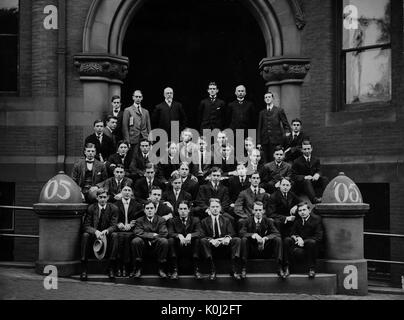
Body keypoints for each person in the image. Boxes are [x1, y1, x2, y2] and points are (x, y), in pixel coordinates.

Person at [80, 188, 118, 280]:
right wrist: (95, 231)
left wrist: (107, 231)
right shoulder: (91, 208)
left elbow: (114, 226)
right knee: (85, 235)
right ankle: (84, 268)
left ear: (108, 198)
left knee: (115, 235)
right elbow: (86, 226)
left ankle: (111, 268)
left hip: (107, 236)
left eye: (104, 197)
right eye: (100, 197)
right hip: (94, 236)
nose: (102, 199)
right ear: (97, 198)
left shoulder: (113, 208)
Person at [200, 198, 242, 280]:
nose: (215, 209)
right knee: (202, 241)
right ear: (209, 208)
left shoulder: (226, 220)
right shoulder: (204, 221)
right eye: (212, 207)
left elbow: (232, 233)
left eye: (217, 206)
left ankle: (234, 269)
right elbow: (202, 235)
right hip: (211, 247)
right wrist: (211, 240)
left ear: (220, 208)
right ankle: (212, 270)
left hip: (224, 246)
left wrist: (227, 238)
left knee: (237, 240)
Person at [239, 201, 283, 279]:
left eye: (260, 210)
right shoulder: (247, 221)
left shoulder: (268, 221)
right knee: (244, 239)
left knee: (278, 239)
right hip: (252, 250)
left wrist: (265, 238)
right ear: (252, 211)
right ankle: (243, 268)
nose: (258, 212)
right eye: (256, 210)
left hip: (265, 249)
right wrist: (253, 235)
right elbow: (241, 233)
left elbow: (277, 233)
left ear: (263, 211)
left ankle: (279, 267)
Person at [283, 202, 324, 278]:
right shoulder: (298, 220)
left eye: (304, 210)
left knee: (312, 242)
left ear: (309, 210)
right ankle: (286, 267)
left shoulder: (316, 219)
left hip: (311, 246)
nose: (302, 212)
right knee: (287, 240)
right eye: (300, 211)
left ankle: (312, 269)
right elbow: (292, 233)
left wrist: (303, 241)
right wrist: (297, 238)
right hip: (298, 245)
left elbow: (319, 237)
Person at [130, 200, 169, 278]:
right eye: (147, 208)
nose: (150, 210)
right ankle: (138, 268)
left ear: (155, 210)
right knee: (136, 240)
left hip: (156, 245)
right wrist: (153, 235)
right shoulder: (139, 220)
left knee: (164, 241)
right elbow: (138, 232)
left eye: (152, 208)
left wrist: (152, 240)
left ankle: (161, 269)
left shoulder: (161, 220)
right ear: (144, 210)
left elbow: (164, 233)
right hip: (143, 245)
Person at [167, 201, 202, 280]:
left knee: (197, 240)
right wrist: (178, 235)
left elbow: (199, 232)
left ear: (189, 210)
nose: (183, 211)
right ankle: (175, 271)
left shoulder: (195, 220)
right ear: (178, 210)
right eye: (181, 209)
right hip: (178, 246)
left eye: (185, 209)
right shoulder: (172, 220)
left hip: (191, 246)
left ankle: (197, 270)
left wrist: (191, 235)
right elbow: (170, 233)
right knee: (170, 240)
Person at [113, 185, 143, 277]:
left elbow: (140, 218)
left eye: (129, 190)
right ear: (121, 193)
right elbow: (112, 219)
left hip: (132, 230)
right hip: (119, 230)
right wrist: (118, 224)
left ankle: (125, 267)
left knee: (127, 238)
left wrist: (132, 224)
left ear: (132, 193)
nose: (127, 192)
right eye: (124, 190)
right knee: (120, 238)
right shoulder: (115, 205)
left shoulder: (137, 205)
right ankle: (119, 267)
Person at [257, 92, 291, 162]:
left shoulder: (279, 110)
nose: (267, 99)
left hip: (276, 139)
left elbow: (286, 124)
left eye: (269, 97)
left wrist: (287, 133)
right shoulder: (262, 113)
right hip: (265, 140)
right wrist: (258, 142)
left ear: (272, 98)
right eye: (266, 97)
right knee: (265, 159)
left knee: (275, 159)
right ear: (264, 99)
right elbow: (259, 128)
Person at [291, 140, 328, 204]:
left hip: (313, 182)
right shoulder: (296, 161)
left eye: (308, 149)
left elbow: (319, 170)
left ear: (311, 149)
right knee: (307, 181)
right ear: (301, 150)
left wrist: (317, 174)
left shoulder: (316, 159)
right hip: (302, 184)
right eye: (305, 149)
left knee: (325, 179)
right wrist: (305, 177)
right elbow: (293, 176)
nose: (307, 151)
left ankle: (326, 197)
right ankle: (314, 200)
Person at [122, 90, 151, 154]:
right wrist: (127, 141)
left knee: (144, 156)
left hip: (144, 138)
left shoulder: (145, 111)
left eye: (139, 97)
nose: (138, 98)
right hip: (133, 138)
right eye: (136, 96)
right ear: (133, 97)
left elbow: (148, 127)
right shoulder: (128, 110)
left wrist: (150, 140)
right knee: (134, 156)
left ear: (142, 98)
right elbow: (125, 127)